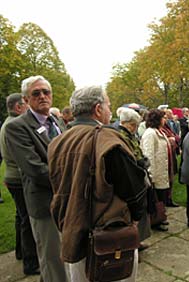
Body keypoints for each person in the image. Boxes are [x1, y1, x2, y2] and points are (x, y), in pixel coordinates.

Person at [48, 86, 147, 282]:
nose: (110, 111)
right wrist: (136, 216)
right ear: (98, 109)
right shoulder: (109, 139)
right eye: (108, 105)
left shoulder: (58, 141)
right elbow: (134, 188)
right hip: (108, 239)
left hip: (72, 230)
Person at [5, 75, 68, 282]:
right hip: (44, 201)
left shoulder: (56, 121)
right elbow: (35, 169)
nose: (42, 96)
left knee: (67, 254)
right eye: (36, 93)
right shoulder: (17, 127)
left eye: (46, 92)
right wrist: (72, 177)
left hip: (67, 199)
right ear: (25, 99)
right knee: (52, 258)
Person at [0, 93, 40, 275]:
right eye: (25, 104)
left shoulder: (8, 123)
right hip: (18, 178)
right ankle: (30, 263)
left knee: (20, 217)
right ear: (18, 107)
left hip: (12, 176)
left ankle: (21, 253)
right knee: (27, 220)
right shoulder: (15, 125)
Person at [118, 108, 151, 250]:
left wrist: (144, 160)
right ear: (124, 123)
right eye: (133, 125)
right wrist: (140, 162)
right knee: (132, 216)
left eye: (136, 125)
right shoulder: (121, 135)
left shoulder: (129, 134)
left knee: (140, 212)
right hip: (131, 178)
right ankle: (131, 247)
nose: (135, 128)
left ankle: (137, 242)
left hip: (138, 174)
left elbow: (137, 150)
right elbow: (128, 157)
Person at [140, 109, 170, 232]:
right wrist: (150, 174)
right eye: (163, 118)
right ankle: (155, 221)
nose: (165, 120)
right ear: (157, 119)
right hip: (155, 172)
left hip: (161, 170)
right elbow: (148, 154)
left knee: (161, 197)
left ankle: (160, 217)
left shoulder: (159, 131)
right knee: (155, 199)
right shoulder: (150, 134)